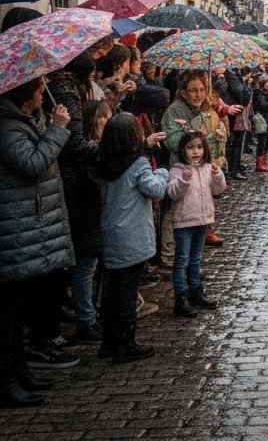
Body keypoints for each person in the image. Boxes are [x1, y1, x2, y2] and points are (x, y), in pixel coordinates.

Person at [0, 78, 74, 407]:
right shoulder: (7, 127)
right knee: (8, 313)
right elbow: (31, 163)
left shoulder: (23, 119)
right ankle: (6, 380)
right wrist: (57, 128)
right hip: (15, 229)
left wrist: (48, 121)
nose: (44, 90)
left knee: (18, 309)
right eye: (39, 87)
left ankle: (19, 371)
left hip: (29, 226)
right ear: (24, 92)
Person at [96, 113, 168, 362]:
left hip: (111, 231)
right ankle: (126, 344)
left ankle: (109, 342)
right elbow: (156, 190)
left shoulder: (104, 162)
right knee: (128, 292)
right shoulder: (137, 163)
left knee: (112, 290)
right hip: (133, 234)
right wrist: (163, 173)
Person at [166, 130, 227, 317]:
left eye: (199, 147)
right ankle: (181, 296)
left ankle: (196, 290)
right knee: (182, 259)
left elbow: (218, 190)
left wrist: (218, 175)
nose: (196, 152)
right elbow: (173, 193)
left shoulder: (207, 167)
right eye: (191, 148)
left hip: (203, 220)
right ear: (183, 150)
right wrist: (184, 179)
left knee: (195, 259)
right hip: (184, 222)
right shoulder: (176, 170)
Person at [66, 99, 109, 343]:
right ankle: (86, 320)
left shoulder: (94, 148)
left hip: (92, 216)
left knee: (92, 268)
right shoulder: (87, 151)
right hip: (85, 216)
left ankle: (91, 314)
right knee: (85, 268)